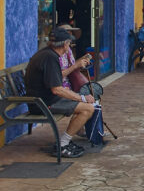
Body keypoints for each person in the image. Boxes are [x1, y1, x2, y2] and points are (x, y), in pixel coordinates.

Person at [25, 27, 95, 159]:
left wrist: (78, 98)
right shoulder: (50, 58)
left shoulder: (48, 54)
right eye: (69, 43)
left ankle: (65, 141)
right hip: (43, 103)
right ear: (65, 44)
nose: (70, 46)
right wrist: (82, 98)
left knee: (83, 105)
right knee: (87, 109)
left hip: (45, 99)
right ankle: (62, 144)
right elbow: (56, 89)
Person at [54, 24, 90, 91]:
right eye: (67, 33)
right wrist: (76, 65)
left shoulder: (69, 50)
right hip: (61, 89)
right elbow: (57, 76)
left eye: (71, 33)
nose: (70, 35)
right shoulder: (55, 54)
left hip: (71, 86)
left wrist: (81, 61)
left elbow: (71, 66)